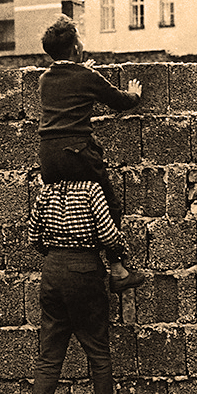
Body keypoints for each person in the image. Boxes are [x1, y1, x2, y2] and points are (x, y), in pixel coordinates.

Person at [38, 15, 144, 294]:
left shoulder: (45, 79)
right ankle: (118, 270)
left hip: (48, 156)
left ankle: (62, 264)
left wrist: (80, 69)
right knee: (109, 206)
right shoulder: (86, 76)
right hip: (78, 152)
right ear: (75, 48)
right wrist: (134, 95)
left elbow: (67, 82)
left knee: (60, 205)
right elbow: (120, 102)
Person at [28, 180, 135, 394]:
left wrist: (55, 253)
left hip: (52, 270)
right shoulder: (91, 189)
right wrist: (119, 251)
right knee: (97, 347)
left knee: (50, 348)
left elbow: (33, 236)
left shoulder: (46, 190)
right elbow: (109, 235)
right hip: (85, 268)